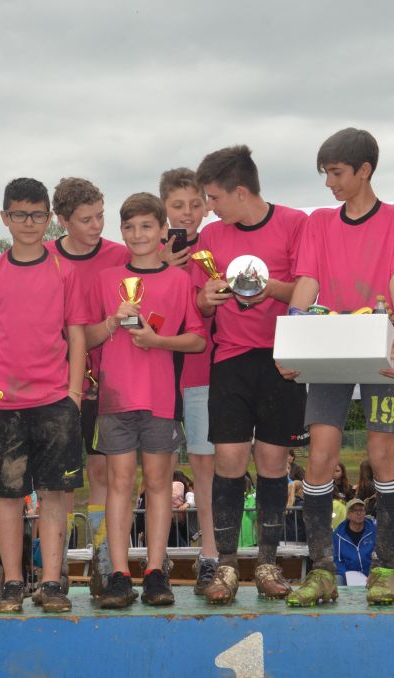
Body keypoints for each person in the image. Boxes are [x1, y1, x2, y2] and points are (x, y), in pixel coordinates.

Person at [286, 127, 394, 607]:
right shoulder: (319, 222)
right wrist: (290, 342)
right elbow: (307, 282)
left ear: (364, 170)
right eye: (325, 174)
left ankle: (382, 568)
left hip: (378, 344)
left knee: (383, 452)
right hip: (330, 347)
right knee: (321, 453)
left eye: (336, 173)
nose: (329, 183)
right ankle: (321, 570)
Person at [0, 178, 86, 614]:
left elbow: (76, 334)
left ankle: (51, 582)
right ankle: (12, 583)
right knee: (9, 497)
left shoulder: (65, 271)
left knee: (54, 495)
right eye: (19, 214)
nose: (28, 223)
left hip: (55, 401)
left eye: (36, 215)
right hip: (5, 405)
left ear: (49, 219)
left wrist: (73, 393)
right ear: (5, 218)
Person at [192, 145, 308, 604]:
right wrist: (207, 299)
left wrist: (266, 288)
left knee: (274, 463)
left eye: (214, 197)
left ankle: (266, 562)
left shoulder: (295, 223)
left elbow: (308, 287)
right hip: (231, 358)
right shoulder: (210, 236)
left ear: (241, 192)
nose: (209, 208)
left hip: (283, 359)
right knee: (228, 459)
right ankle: (225, 565)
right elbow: (199, 304)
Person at [83, 192, 206, 608]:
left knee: (157, 484)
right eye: (130, 227)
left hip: (160, 399)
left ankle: (155, 571)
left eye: (147, 226)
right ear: (122, 231)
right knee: (119, 483)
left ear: (162, 231)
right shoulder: (106, 280)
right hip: (115, 399)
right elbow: (87, 337)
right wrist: (111, 321)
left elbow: (196, 340)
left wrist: (157, 341)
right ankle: (119, 575)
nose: (137, 234)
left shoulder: (179, 280)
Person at [47, 177, 130, 597]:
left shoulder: (121, 255)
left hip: (110, 383)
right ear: (63, 221)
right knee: (59, 481)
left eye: (100, 216)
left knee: (102, 472)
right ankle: (55, 570)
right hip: (56, 385)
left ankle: (102, 563)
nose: (97, 225)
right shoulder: (44, 258)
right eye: (86, 219)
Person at [158, 168, 220, 593]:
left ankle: (210, 555)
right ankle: (156, 558)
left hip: (201, 372)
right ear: (164, 207)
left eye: (195, 204)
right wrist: (162, 268)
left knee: (204, 467)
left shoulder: (215, 246)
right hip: (158, 376)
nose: (187, 213)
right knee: (157, 471)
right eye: (178, 205)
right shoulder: (148, 249)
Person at [333, 498, 376, 585]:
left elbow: (379, 556)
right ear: (348, 515)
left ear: (365, 513)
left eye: (361, 510)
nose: (358, 513)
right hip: (347, 577)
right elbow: (336, 560)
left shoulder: (374, 531)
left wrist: (373, 573)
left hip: (372, 575)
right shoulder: (338, 535)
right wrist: (348, 576)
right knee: (337, 579)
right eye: (354, 510)